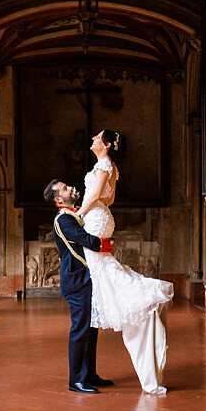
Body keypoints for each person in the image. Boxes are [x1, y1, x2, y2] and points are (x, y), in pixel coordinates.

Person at [75, 129, 174, 395]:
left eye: (97, 138)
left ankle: (139, 298)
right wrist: (94, 210)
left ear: (106, 144)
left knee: (103, 275)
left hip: (94, 218)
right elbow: (110, 199)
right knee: (104, 271)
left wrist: (78, 214)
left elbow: (96, 195)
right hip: (103, 217)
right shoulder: (110, 167)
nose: (93, 140)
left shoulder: (103, 165)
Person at [45, 178, 113, 393]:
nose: (71, 189)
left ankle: (89, 374)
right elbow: (88, 240)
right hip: (77, 280)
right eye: (65, 189)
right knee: (80, 329)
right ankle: (76, 380)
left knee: (91, 328)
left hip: (86, 278)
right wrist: (108, 244)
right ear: (58, 199)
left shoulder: (73, 215)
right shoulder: (63, 220)